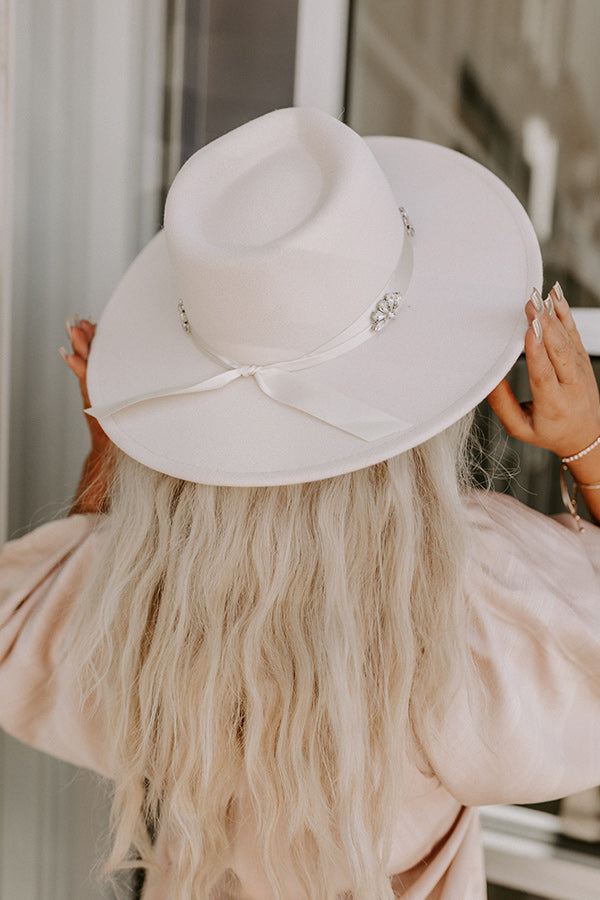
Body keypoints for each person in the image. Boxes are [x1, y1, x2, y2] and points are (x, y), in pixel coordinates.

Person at [2, 107, 600, 900]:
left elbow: (20, 623)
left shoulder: (138, 597)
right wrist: (586, 446)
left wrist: (110, 462)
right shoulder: (468, 598)